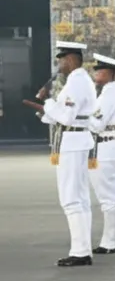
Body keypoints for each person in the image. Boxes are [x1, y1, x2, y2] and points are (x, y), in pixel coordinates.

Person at [24, 41, 96, 266]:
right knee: (80, 199)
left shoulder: (76, 82)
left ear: (71, 59)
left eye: (61, 60)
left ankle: (80, 252)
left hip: (72, 143)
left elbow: (66, 117)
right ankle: (83, 249)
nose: (59, 65)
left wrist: (47, 101)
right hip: (75, 140)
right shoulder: (81, 81)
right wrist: (45, 112)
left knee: (71, 199)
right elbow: (66, 116)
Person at [87, 54, 115, 255]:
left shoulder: (109, 95)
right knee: (110, 196)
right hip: (106, 147)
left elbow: (97, 125)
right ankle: (112, 239)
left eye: (99, 71)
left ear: (108, 73)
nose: (96, 74)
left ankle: (111, 241)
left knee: (108, 197)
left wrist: (80, 116)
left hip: (104, 148)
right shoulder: (109, 93)